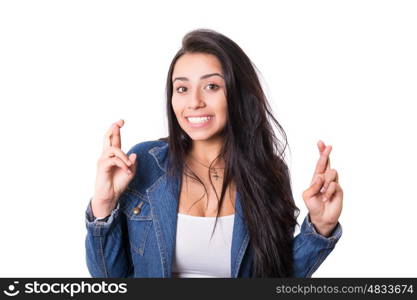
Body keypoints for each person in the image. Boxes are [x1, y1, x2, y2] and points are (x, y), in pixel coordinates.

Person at [85, 29, 343, 278]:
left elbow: (277, 279)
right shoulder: (144, 163)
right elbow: (109, 279)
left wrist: (321, 227)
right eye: (182, 89)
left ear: (238, 94)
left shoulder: (267, 173)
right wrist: (104, 206)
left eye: (211, 86)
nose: (194, 102)